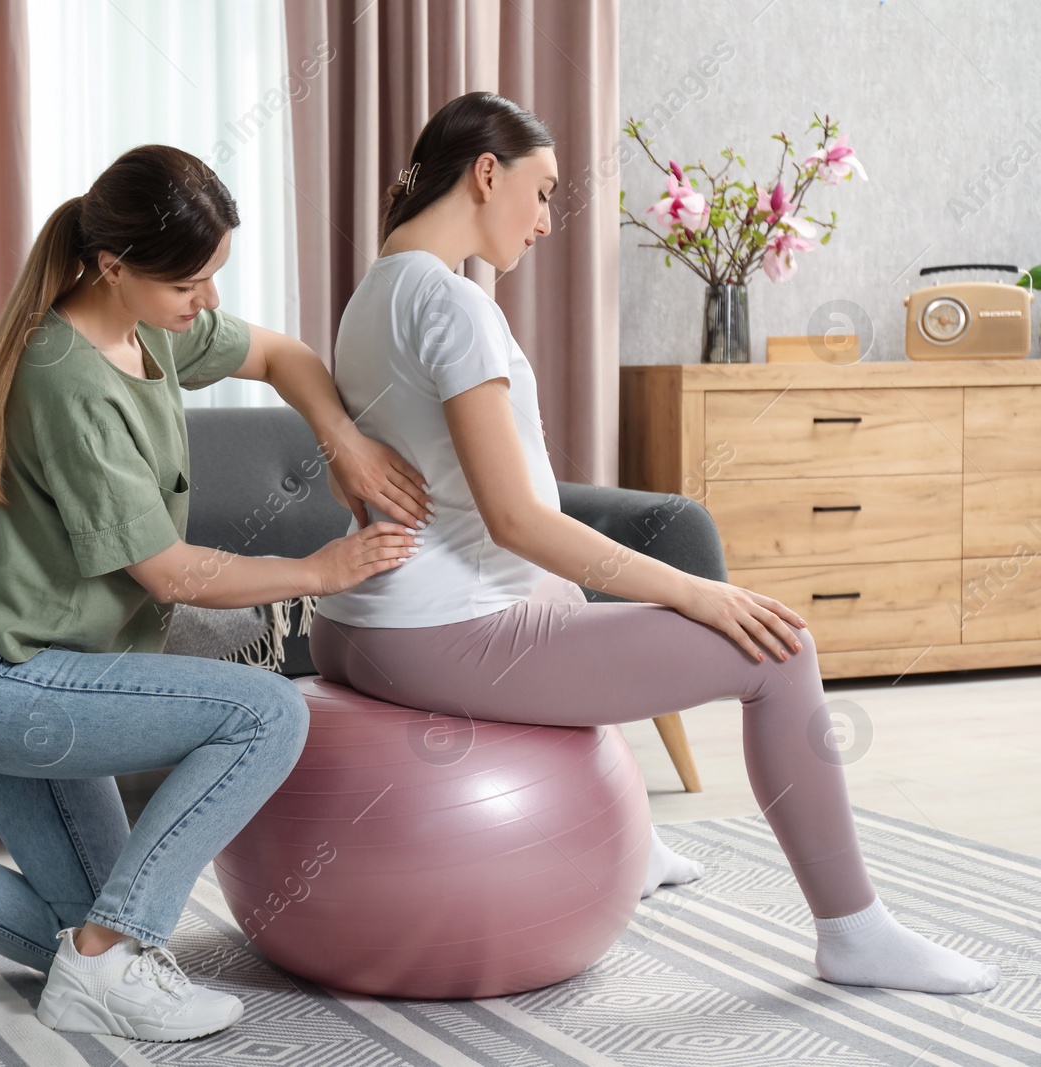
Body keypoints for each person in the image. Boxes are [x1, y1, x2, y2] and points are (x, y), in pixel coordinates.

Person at [307, 91, 1000, 997]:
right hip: (440, 632)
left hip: (357, 626)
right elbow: (516, 520)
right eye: (545, 190)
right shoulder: (453, 306)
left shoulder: (375, 291)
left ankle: (631, 841)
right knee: (782, 651)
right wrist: (695, 591)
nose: (550, 219)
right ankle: (855, 932)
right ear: (487, 173)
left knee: (561, 598)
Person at [0, 144, 432, 1042]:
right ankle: (111, 963)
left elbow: (281, 354)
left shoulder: (148, 323)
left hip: (45, 671)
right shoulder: (66, 378)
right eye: (190, 284)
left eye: (213, 277)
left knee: (77, 931)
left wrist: (343, 440)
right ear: (114, 266)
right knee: (267, 714)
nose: (209, 303)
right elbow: (167, 571)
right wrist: (320, 572)